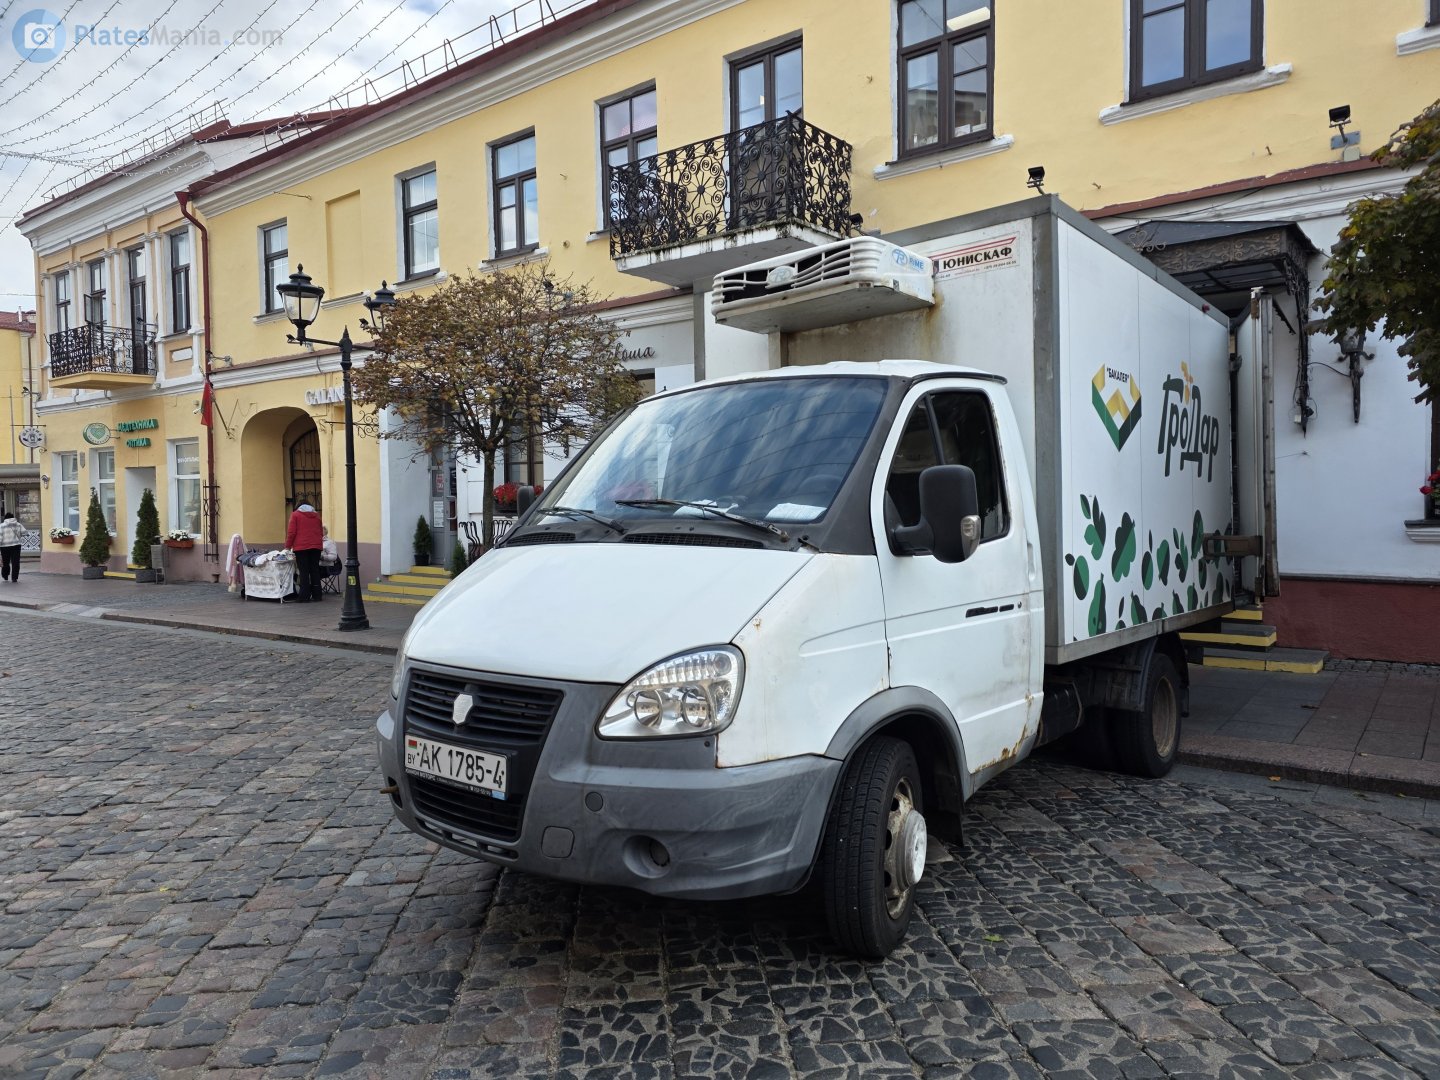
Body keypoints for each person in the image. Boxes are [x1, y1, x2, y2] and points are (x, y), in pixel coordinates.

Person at [285, 501, 325, 602]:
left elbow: (291, 532)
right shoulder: (317, 515)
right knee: (315, 570)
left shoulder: (295, 515)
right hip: (316, 547)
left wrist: (287, 547)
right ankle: (317, 595)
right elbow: (320, 531)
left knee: (304, 571)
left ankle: (304, 596)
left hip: (301, 547)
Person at [0, 511, 23, 582]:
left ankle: (5, 575)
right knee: (15, 562)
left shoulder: (1, 525)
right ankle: (14, 577)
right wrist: (18, 535)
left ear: (5, 518)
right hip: (16, 545)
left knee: (5, 562)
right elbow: (25, 532)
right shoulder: (18, 524)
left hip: (4, 546)